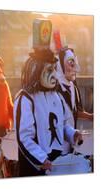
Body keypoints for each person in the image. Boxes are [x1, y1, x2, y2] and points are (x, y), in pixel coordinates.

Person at [14, 19, 83, 176]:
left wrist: (73, 134)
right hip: (37, 167)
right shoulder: (25, 99)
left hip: (56, 160)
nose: (54, 75)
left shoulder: (56, 96)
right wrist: (42, 159)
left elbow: (62, 125)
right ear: (36, 72)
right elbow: (24, 138)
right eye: (48, 70)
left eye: (54, 69)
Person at [53, 30, 93, 127]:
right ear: (60, 66)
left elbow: (74, 112)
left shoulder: (72, 87)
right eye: (71, 63)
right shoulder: (53, 89)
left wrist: (89, 116)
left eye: (75, 63)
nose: (77, 69)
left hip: (71, 138)